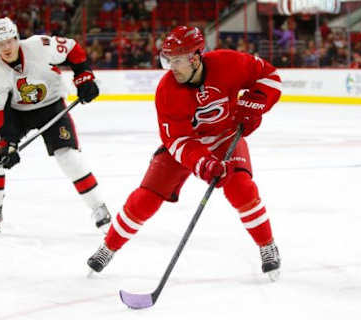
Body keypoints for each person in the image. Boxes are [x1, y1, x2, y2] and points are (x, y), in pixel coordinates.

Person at [87, 26, 282, 280]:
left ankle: (267, 246)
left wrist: (255, 104)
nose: (171, 67)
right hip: (187, 146)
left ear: (195, 57)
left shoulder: (229, 62)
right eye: (167, 60)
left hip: (225, 137)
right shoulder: (167, 90)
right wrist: (203, 162)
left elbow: (269, 76)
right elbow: (177, 139)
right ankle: (108, 247)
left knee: (242, 187)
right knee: (146, 196)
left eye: (176, 60)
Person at [0, 17, 111, 236]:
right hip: (16, 113)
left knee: (68, 157)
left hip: (51, 106)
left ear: (16, 38)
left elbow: (72, 48)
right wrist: (8, 143)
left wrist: (84, 76)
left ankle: (99, 207)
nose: (6, 47)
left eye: (9, 41)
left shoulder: (38, 46)